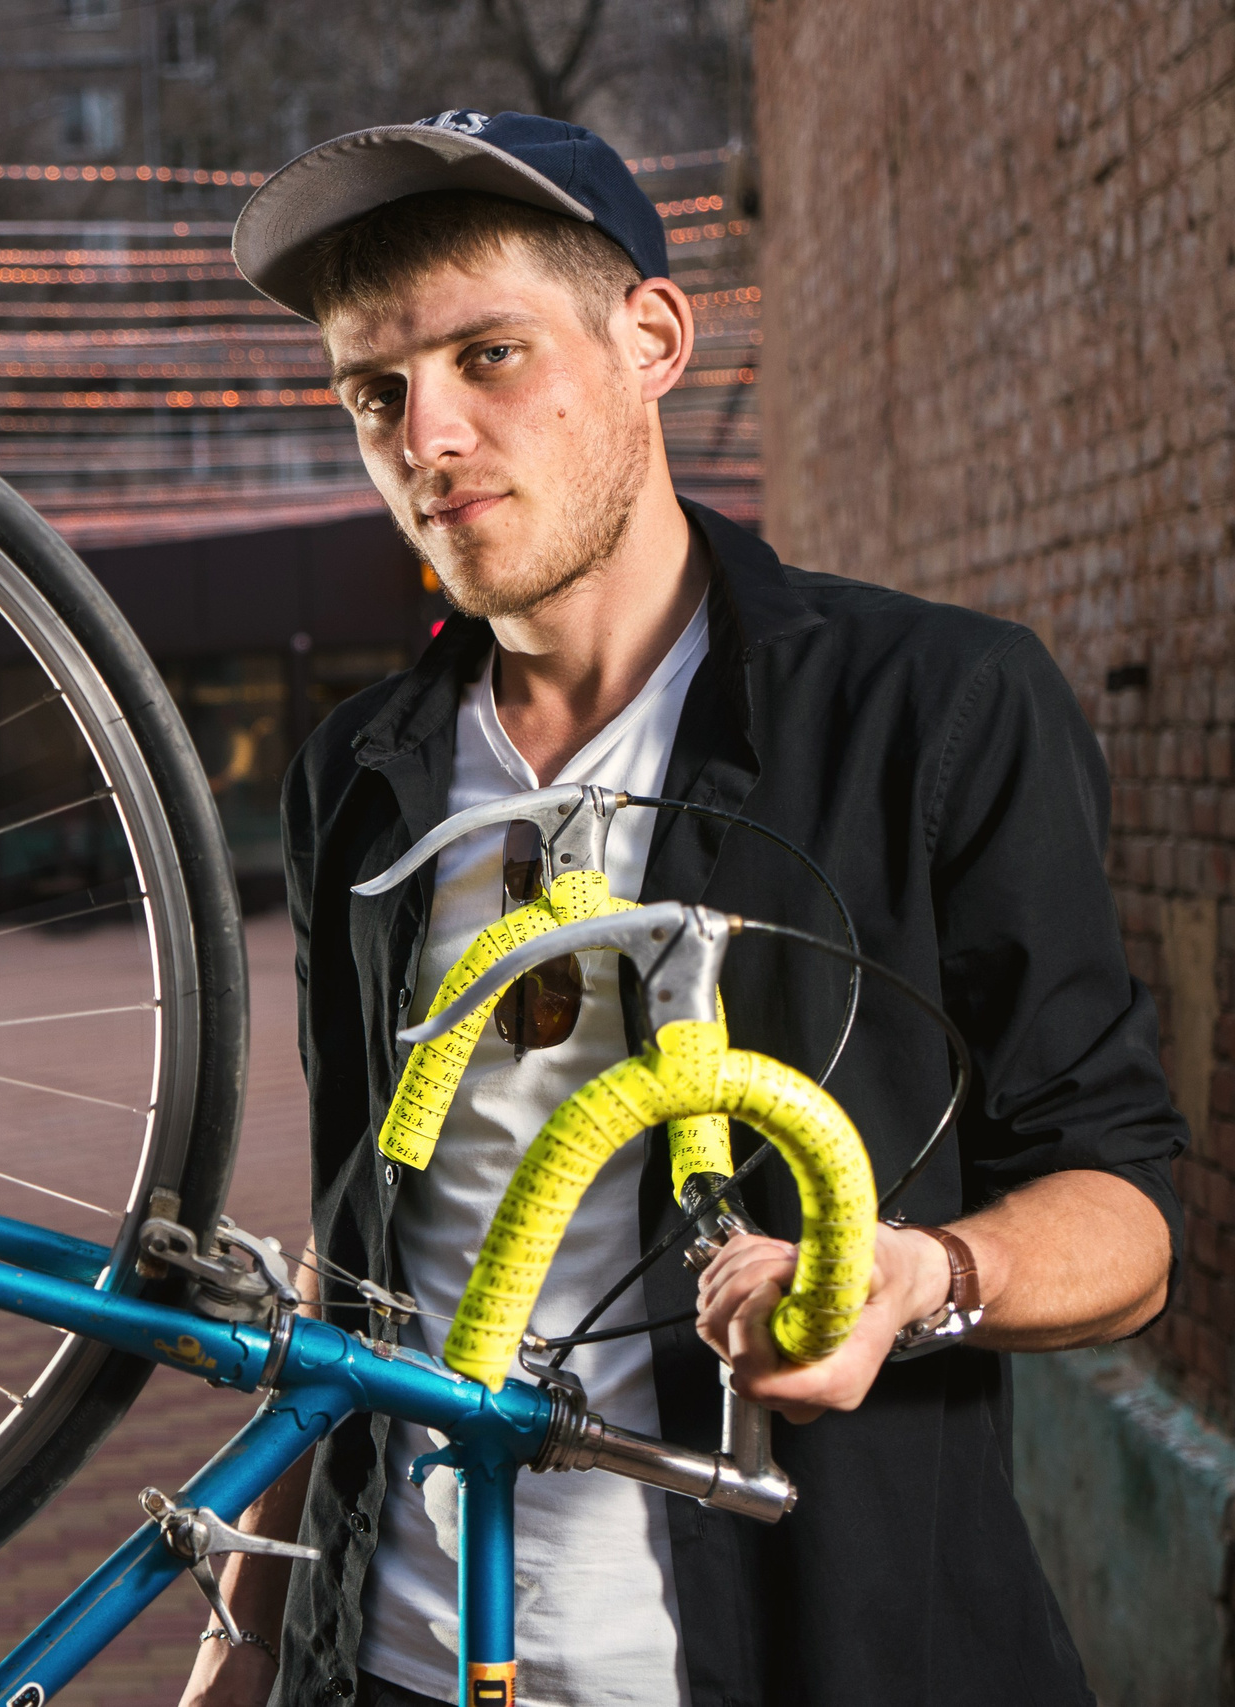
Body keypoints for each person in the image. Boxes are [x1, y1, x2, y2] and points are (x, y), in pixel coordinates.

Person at [181, 111, 1184, 1707]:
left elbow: (1125, 1213)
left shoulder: (934, 712)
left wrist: (914, 1278)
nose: (425, 437)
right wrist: (247, 1626)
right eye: (375, 392)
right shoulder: (355, 774)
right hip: (391, 1659)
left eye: (488, 355)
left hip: (798, 1651)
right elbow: (360, 1241)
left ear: (650, 337)